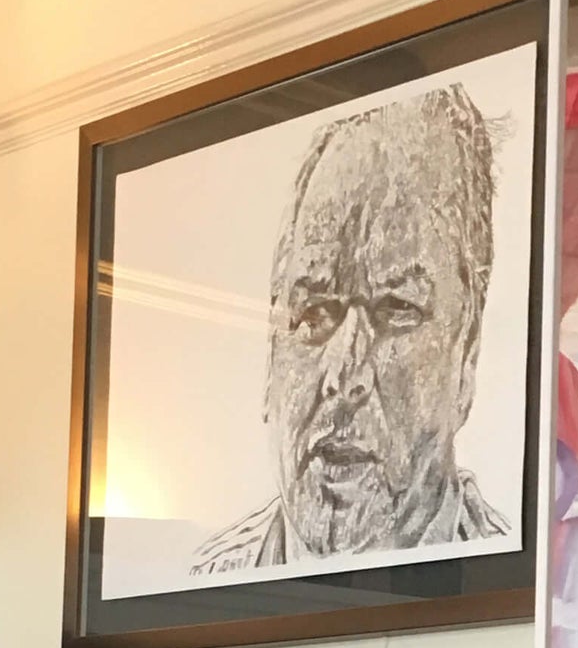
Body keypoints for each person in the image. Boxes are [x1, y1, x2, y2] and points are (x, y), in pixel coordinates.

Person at [193, 86, 507, 578]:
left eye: (396, 309)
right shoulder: (201, 582)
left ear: (466, 352)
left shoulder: (516, 584)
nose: (343, 374)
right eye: (315, 313)